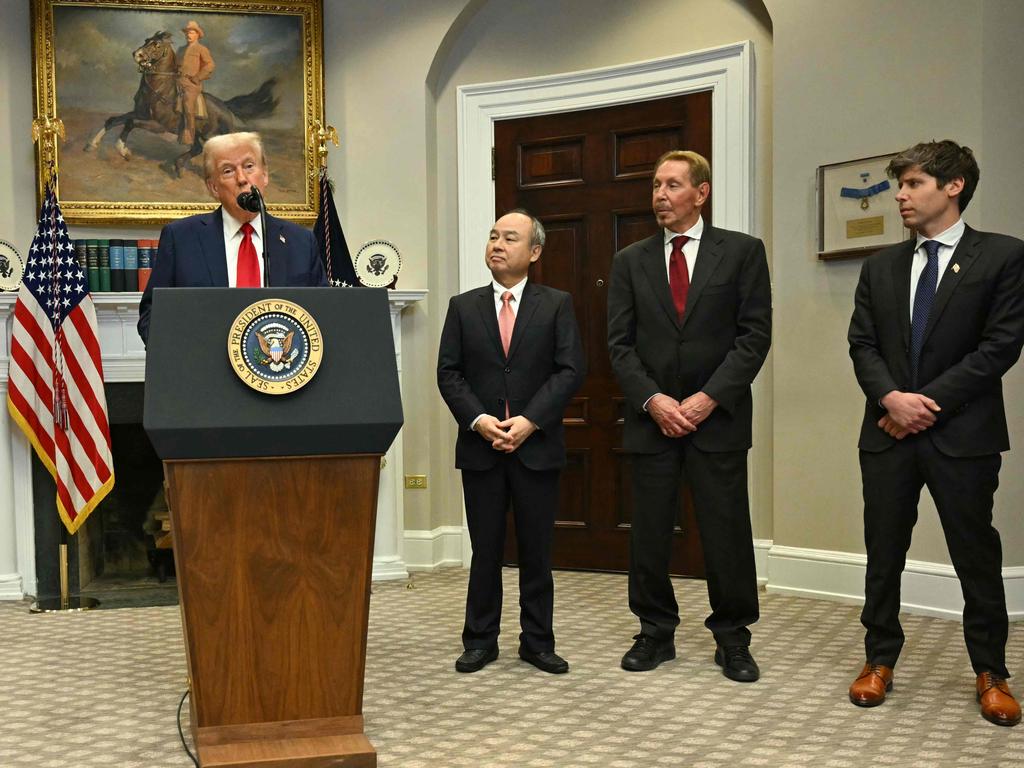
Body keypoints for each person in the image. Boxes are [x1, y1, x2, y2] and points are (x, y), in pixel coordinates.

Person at [847, 140, 1024, 726]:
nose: (900, 194)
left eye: (914, 183)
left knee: (975, 555)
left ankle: (991, 672)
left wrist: (926, 404)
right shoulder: (880, 267)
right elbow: (863, 345)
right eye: (900, 184)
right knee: (883, 553)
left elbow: (1000, 347)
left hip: (963, 435)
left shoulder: (1002, 257)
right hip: (886, 432)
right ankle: (878, 660)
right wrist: (892, 399)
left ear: (953, 187)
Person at [607, 150, 771, 681]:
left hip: (716, 419)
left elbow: (754, 337)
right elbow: (619, 346)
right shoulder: (629, 260)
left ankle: (733, 638)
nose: (660, 194)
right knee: (649, 533)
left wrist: (708, 398)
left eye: (672, 185)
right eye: (655, 184)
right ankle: (655, 633)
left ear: (700, 193)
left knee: (725, 532)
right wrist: (653, 401)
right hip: (652, 421)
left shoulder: (742, 253)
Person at [437, 210, 585, 675]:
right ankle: (480, 639)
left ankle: (538, 641)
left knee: (537, 550)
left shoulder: (556, 304)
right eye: (493, 236)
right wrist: (480, 420)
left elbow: (569, 370)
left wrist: (530, 421)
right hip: (482, 448)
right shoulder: (463, 306)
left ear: (534, 252)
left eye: (510, 238)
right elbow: (449, 372)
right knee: (486, 550)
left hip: (535, 447)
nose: (497, 244)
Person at [137, 131, 327, 344]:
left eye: (249, 166)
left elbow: (323, 316)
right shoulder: (181, 238)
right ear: (213, 187)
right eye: (228, 171)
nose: (242, 179)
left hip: (279, 366)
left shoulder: (300, 242)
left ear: (264, 175)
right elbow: (152, 317)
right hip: (205, 370)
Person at [177, 20, 215, 145]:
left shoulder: (201, 49)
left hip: (192, 84)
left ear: (197, 35)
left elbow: (210, 65)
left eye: (192, 33)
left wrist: (198, 78)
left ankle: (189, 135)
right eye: (187, 33)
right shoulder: (181, 49)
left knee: (188, 106)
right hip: (178, 80)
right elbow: (175, 65)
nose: (188, 35)